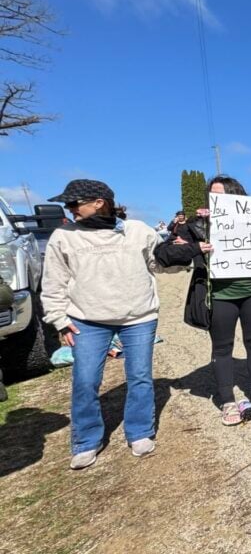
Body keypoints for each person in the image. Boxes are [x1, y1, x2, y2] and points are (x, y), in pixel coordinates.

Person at [41, 179, 188, 469]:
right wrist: (59, 320)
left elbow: (158, 264)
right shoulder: (63, 236)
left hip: (139, 318)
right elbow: (53, 283)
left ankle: (140, 431)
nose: (70, 210)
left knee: (140, 376)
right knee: (85, 381)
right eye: (67, 205)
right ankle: (86, 440)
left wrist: (183, 255)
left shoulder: (137, 231)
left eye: (74, 204)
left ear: (99, 202)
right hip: (87, 321)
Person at [159, 176, 251, 426]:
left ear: (237, 197)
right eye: (213, 195)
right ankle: (227, 401)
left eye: (223, 195)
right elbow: (164, 255)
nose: (217, 200)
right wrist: (194, 247)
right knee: (222, 348)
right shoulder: (195, 225)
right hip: (219, 296)